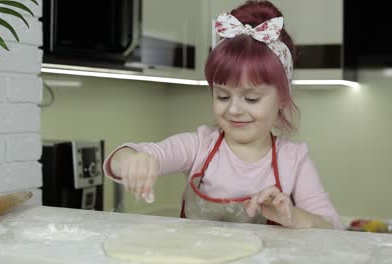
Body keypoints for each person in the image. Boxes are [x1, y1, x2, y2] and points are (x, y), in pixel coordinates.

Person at [103, 0, 342, 229]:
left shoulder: (293, 160)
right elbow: (124, 158)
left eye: (251, 98)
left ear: (281, 98)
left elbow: (331, 225)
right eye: (223, 96)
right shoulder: (199, 146)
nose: (234, 110)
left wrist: (294, 217)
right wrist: (131, 161)